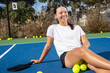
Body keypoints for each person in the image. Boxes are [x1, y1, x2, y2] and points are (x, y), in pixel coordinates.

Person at [31, 4, 110, 73]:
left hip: (81, 53)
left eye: (65, 12)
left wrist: (82, 52)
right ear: (55, 15)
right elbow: (48, 46)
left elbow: (86, 43)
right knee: (82, 51)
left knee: (96, 67)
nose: (64, 14)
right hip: (67, 57)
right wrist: (40, 60)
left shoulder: (77, 27)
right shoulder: (52, 28)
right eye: (60, 13)